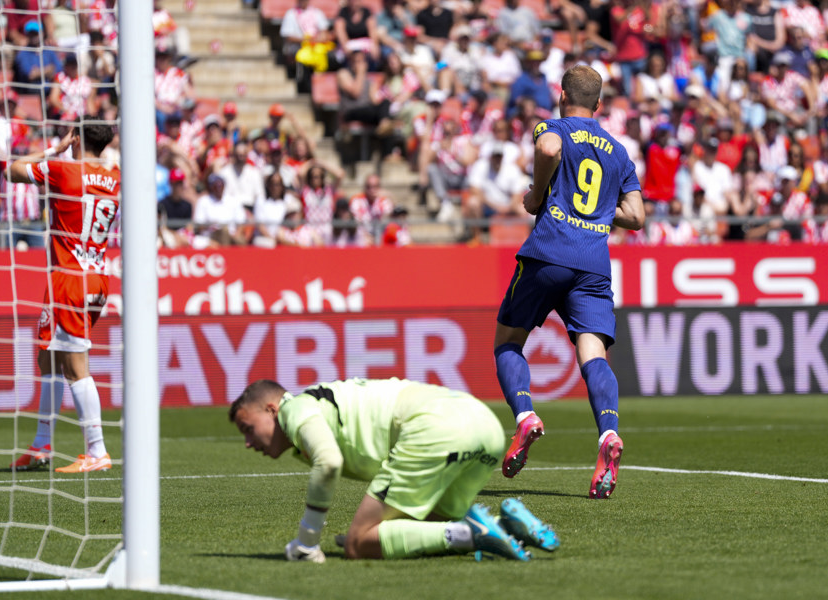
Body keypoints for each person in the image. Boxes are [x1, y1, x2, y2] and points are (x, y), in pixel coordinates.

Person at [493, 65, 644, 499]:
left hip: (549, 252)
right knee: (593, 353)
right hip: (594, 262)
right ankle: (608, 434)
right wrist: (597, 213)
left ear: (562, 96)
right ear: (598, 105)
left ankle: (525, 417)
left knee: (508, 341)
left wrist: (539, 196)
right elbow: (636, 216)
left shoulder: (554, 125)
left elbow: (549, 147)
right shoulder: (618, 151)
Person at [228, 377, 559, 561]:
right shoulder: (314, 404)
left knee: (360, 544)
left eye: (248, 428)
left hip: (435, 427)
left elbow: (328, 462)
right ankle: (509, 526)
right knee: (429, 525)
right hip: (483, 424)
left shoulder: (294, 408)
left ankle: (472, 534)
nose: (247, 442)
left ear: (272, 408)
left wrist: (308, 541)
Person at [7, 120, 119, 473]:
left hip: (69, 278)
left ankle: (97, 451)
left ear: (77, 139)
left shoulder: (62, 168)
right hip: (97, 277)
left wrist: (56, 148)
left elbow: (12, 170)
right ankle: (41, 445)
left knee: (74, 367)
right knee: (49, 360)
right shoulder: (115, 176)